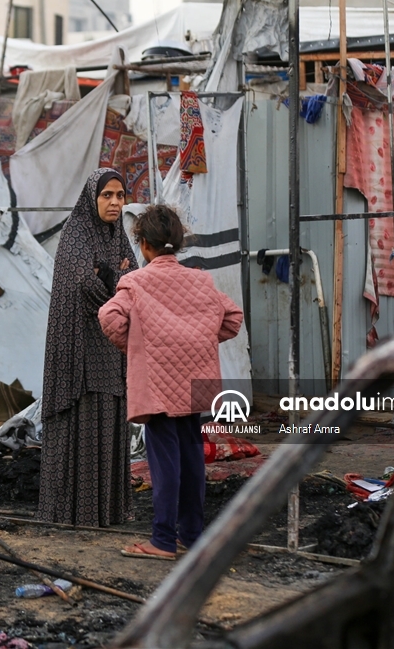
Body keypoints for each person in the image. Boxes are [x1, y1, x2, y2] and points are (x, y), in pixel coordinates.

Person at [98, 205, 243, 560]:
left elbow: (109, 316)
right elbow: (233, 319)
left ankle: (162, 540)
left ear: (143, 244)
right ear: (177, 244)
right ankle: (192, 536)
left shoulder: (136, 282)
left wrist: (136, 347)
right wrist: (199, 339)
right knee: (192, 455)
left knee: (164, 462)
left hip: (159, 383)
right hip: (197, 379)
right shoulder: (201, 280)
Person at [37, 167, 138, 527]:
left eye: (120, 196)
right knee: (79, 422)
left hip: (110, 350)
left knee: (109, 420)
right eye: (106, 195)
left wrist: (109, 277)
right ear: (92, 198)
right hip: (77, 351)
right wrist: (115, 278)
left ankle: (106, 511)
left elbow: (135, 279)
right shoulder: (75, 234)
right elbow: (84, 286)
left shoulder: (117, 236)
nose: (114, 202)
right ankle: (72, 513)